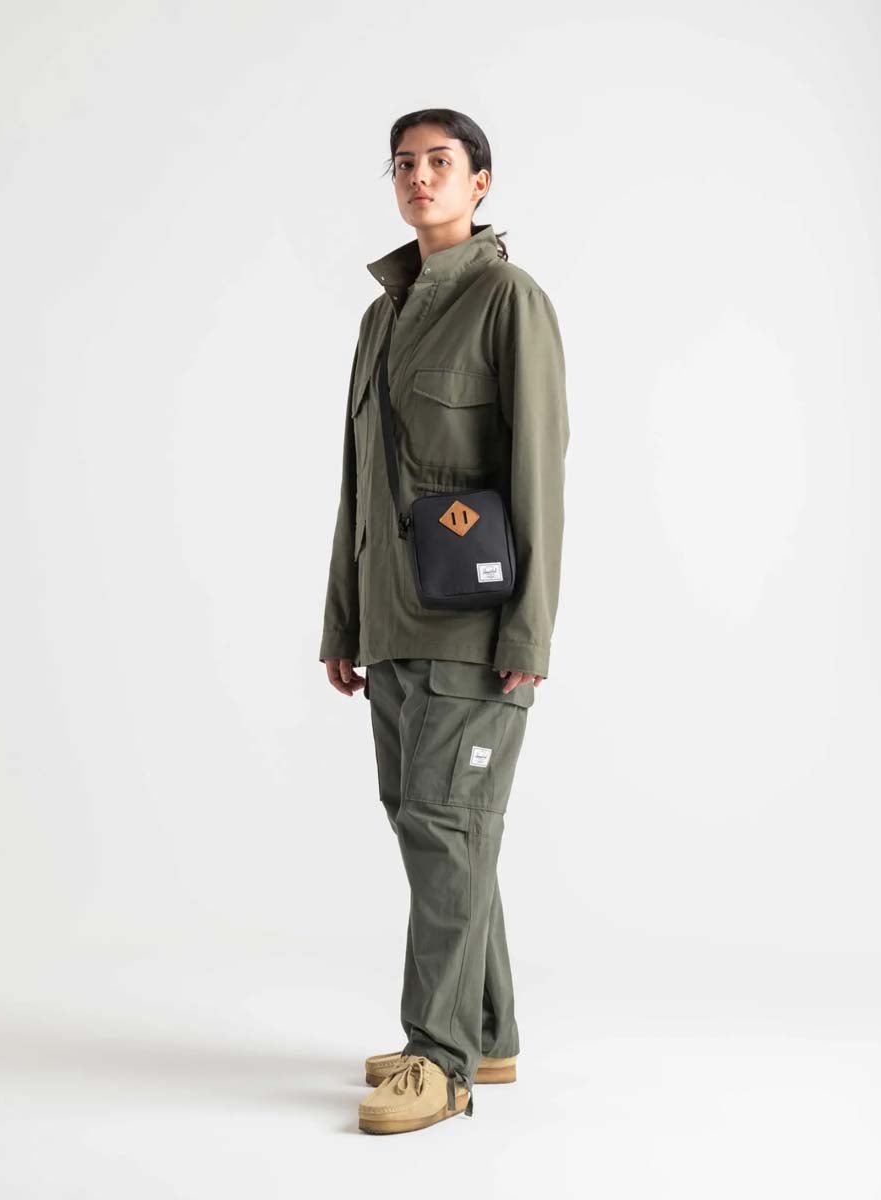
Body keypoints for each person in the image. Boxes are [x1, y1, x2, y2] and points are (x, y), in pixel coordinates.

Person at [318, 108, 570, 1135]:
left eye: (440, 162)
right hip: (393, 624)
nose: (419, 178)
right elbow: (359, 488)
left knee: (446, 828)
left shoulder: (509, 300)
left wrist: (529, 635)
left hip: (474, 630)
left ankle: (441, 1060)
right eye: (404, 165)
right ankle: (489, 1032)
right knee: (436, 829)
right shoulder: (381, 319)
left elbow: (538, 473)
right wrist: (344, 621)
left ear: (481, 182)